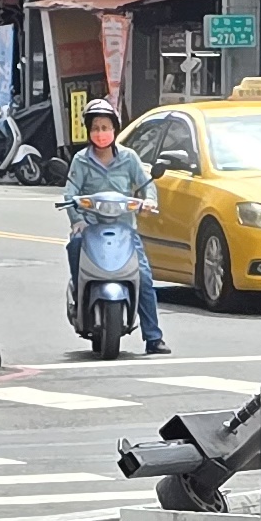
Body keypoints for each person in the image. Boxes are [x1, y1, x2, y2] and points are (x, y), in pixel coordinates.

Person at [60, 99, 167, 355]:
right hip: (90, 228)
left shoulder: (129, 158)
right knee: (73, 246)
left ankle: (153, 337)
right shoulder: (81, 161)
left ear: (114, 130)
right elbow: (70, 193)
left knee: (144, 277)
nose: (101, 133)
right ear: (89, 131)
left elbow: (146, 184)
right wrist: (77, 220)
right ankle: (80, 296)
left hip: (124, 231)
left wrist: (149, 201)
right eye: (95, 128)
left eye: (105, 127)